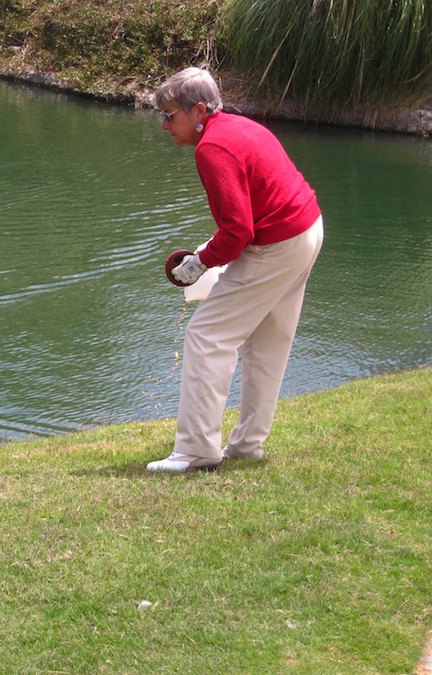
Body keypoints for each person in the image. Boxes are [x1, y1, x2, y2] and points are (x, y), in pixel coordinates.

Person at [146, 67, 324, 473]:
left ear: (198, 110)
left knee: (207, 335)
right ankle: (247, 445)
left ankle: (196, 451)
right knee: (268, 340)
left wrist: (201, 262)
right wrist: (206, 254)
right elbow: (245, 217)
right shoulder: (240, 126)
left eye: (170, 115)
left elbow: (239, 230)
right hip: (306, 229)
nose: (164, 124)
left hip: (278, 244)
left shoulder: (212, 149)